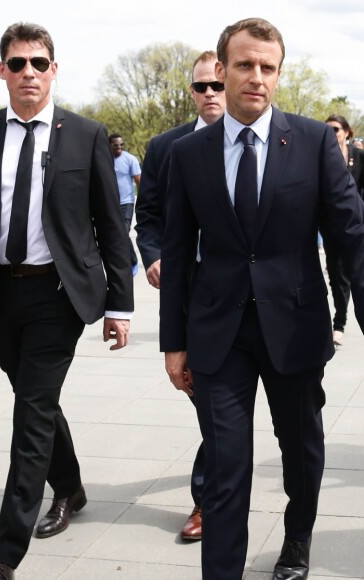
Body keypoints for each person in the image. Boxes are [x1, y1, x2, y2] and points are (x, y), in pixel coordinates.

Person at [160, 17, 364, 580]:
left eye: (267, 67)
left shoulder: (315, 142)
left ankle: (297, 540)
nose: (256, 77)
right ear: (220, 71)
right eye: (244, 65)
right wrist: (173, 344)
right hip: (218, 335)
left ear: (278, 74)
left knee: (300, 453)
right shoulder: (189, 154)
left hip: (294, 329)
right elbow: (177, 254)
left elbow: (352, 235)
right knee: (226, 468)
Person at [0, 22, 133, 580]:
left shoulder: (85, 133)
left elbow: (111, 224)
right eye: (17, 63)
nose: (28, 73)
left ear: (54, 70)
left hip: (60, 293)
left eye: (39, 63)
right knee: (33, 399)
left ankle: (4, 555)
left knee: (30, 412)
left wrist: (121, 304)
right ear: (2, 71)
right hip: (0, 294)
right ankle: (69, 485)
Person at [135, 50, 225, 542]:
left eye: (217, 84)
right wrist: (152, 256)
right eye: (200, 87)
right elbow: (147, 218)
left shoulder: (262, 144)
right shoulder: (166, 147)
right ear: (191, 93)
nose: (210, 93)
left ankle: (212, 495)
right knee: (208, 401)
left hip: (253, 299)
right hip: (193, 300)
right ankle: (211, 497)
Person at [321, 114, 364, 347]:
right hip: (332, 228)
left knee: (356, 274)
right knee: (337, 277)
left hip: (358, 227)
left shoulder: (358, 156)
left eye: (335, 129)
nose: (331, 133)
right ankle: (339, 323)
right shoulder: (323, 155)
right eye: (327, 129)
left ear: (346, 132)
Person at [109, 134, 141, 276]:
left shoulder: (130, 159)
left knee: (123, 231)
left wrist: (144, 199)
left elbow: (139, 180)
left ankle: (133, 262)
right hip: (109, 203)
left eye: (121, 145)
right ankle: (119, 262)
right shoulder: (104, 158)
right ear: (109, 145)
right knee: (113, 234)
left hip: (126, 202)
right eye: (116, 145)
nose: (119, 148)